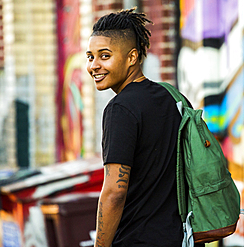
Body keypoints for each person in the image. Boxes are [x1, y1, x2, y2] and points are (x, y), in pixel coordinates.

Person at [86, 8, 187, 247]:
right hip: (183, 238)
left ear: (132, 57)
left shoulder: (120, 110)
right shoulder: (174, 98)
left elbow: (114, 193)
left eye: (105, 56)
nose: (94, 66)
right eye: (90, 56)